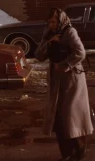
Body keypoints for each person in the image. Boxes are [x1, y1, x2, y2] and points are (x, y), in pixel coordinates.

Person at [35, 8, 93, 161]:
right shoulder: (48, 33)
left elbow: (80, 53)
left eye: (53, 22)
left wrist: (64, 64)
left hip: (71, 80)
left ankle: (80, 149)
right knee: (58, 118)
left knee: (71, 116)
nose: (51, 25)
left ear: (61, 20)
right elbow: (38, 55)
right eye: (49, 22)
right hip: (55, 80)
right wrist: (49, 43)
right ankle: (66, 154)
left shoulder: (69, 32)